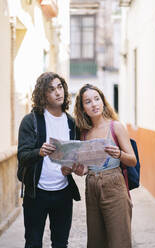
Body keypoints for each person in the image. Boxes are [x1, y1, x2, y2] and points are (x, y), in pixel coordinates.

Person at [17, 72, 80, 248]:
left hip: (63, 193)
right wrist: (39, 151)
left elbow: (75, 157)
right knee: (33, 243)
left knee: (60, 243)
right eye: (51, 89)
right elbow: (22, 156)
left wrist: (73, 167)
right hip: (36, 194)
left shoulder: (71, 123)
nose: (58, 92)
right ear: (43, 94)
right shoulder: (31, 121)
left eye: (60, 87)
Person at [73, 84, 137, 248]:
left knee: (119, 241)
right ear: (82, 108)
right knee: (96, 242)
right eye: (88, 102)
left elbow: (132, 160)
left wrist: (119, 154)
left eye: (97, 99)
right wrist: (81, 170)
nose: (94, 104)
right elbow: (88, 167)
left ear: (103, 101)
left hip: (114, 184)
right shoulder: (84, 133)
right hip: (92, 187)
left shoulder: (115, 126)